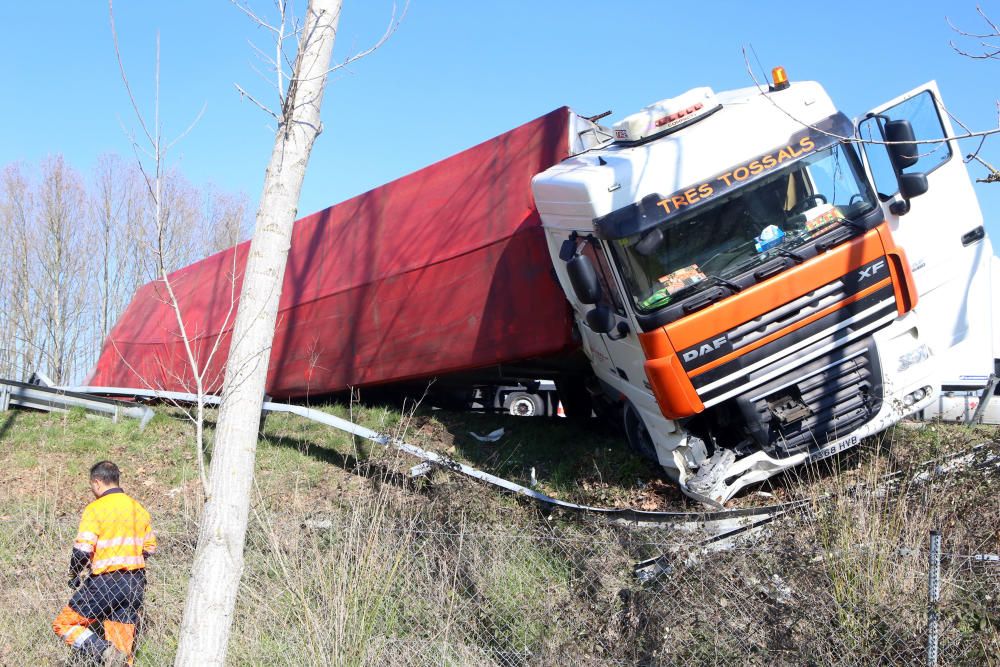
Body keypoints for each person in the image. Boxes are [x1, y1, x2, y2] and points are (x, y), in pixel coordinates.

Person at [52, 461, 157, 666]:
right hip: (135, 583)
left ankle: (103, 650)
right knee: (122, 649)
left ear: (97, 482)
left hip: (105, 582)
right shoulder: (138, 508)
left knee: (63, 624)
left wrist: (74, 574)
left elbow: (82, 550)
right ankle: (113, 655)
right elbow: (150, 547)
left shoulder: (95, 509)